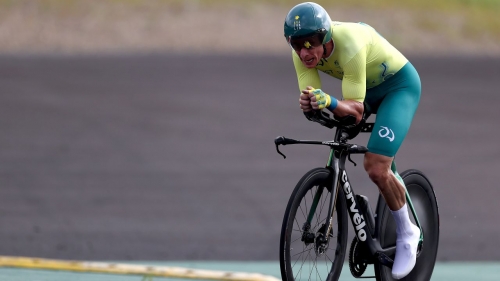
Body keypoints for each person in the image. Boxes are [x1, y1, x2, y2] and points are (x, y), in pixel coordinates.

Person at [284, 2, 422, 279]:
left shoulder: (350, 43)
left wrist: (329, 101)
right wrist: (310, 103)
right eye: (296, 45)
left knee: (375, 165)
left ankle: (408, 232)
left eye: (310, 44)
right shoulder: (300, 53)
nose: (303, 52)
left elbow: (355, 111)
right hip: (364, 89)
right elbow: (316, 99)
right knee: (339, 146)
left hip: (398, 88)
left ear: (325, 37)